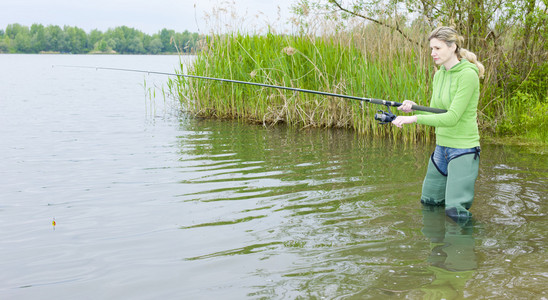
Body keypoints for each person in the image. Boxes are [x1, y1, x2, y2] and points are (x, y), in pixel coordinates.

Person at [392, 26, 484, 223]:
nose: (432, 53)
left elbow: (451, 118)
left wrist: (413, 119)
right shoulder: (439, 74)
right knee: (430, 203)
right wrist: (414, 107)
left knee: (455, 212)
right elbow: (435, 111)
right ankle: (438, 248)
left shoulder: (468, 75)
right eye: (431, 49)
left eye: (437, 48)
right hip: (442, 148)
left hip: (463, 150)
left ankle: (473, 245)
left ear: (453, 47)